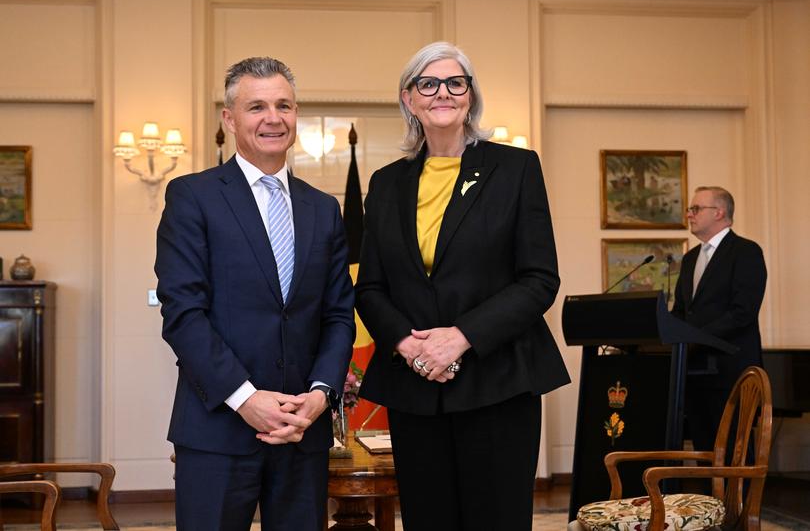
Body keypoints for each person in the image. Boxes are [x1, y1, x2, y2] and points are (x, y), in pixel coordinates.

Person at [355, 41, 570, 531]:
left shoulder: (515, 168)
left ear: (470, 96)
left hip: (498, 380)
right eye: (427, 84)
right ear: (409, 99)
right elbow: (369, 286)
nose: (443, 93)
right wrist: (410, 346)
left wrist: (460, 337)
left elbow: (539, 279)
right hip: (415, 384)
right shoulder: (387, 183)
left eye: (456, 82)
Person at [155, 56, 354, 531]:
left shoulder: (323, 209)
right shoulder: (193, 196)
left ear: (296, 114)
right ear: (229, 118)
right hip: (218, 431)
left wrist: (321, 394)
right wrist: (246, 399)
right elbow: (183, 314)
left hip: (302, 432)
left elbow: (339, 314)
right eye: (256, 106)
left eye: (283, 105)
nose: (273, 118)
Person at [671, 186, 767, 452]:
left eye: (696, 209)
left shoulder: (746, 252)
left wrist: (694, 339)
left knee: (736, 449)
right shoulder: (690, 258)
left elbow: (742, 312)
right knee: (704, 447)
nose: (689, 214)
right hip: (694, 369)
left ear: (719, 212)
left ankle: (736, 497)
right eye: (691, 209)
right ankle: (707, 496)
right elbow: (681, 310)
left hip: (730, 371)